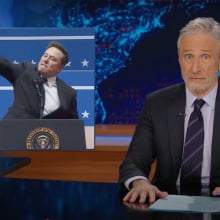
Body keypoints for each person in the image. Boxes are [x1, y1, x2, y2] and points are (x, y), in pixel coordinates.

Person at [119, 17, 220, 204]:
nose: (195, 68)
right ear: (180, 59)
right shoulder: (157, 103)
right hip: (167, 203)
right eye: (189, 56)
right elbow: (133, 162)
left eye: (205, 57)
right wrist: (140, 183)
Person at [0, 41, 78, 119]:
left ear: (60, 68)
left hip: (46, 130)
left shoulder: (69, 93)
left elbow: (74, 126)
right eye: (45, 55)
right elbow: (3, 65)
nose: (46, 60)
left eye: (52, 59)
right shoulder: (25, 71)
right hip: (14, 129)